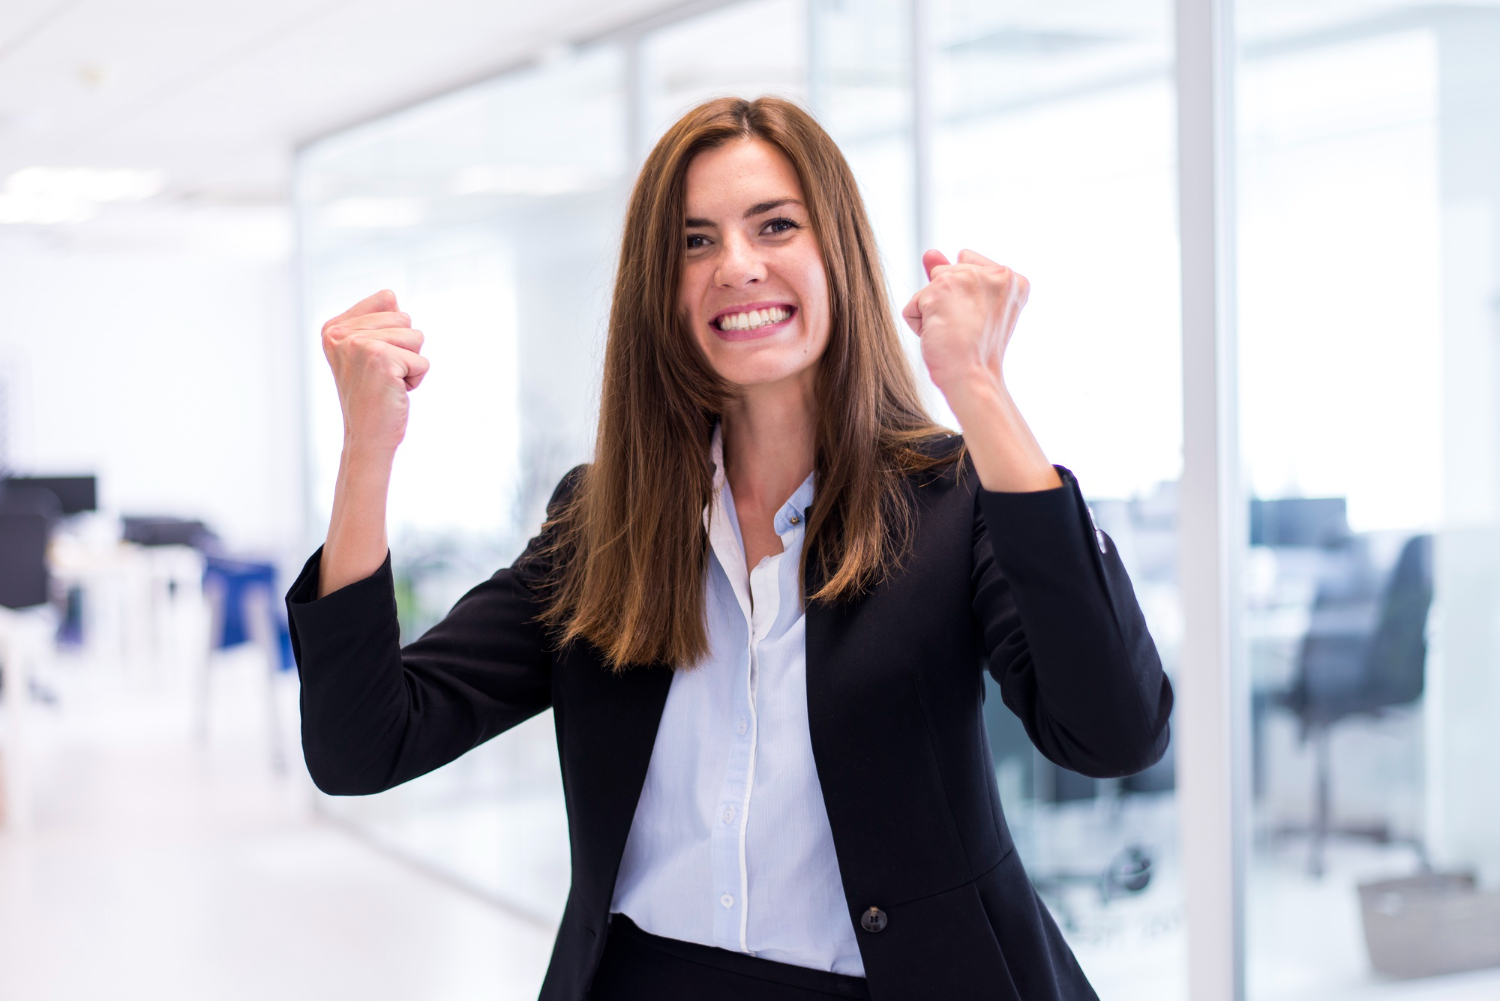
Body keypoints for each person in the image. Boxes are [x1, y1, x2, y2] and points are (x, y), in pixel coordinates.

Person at [287, 97, 1172, 1001]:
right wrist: (367, 450)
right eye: (694, 241)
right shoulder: (605, 524)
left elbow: (1113, 731)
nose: (737, 267)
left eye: (775, 225)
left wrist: (977, 387)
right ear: (659, 290)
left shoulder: (952, 502)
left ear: (839, 253)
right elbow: (363, 745)